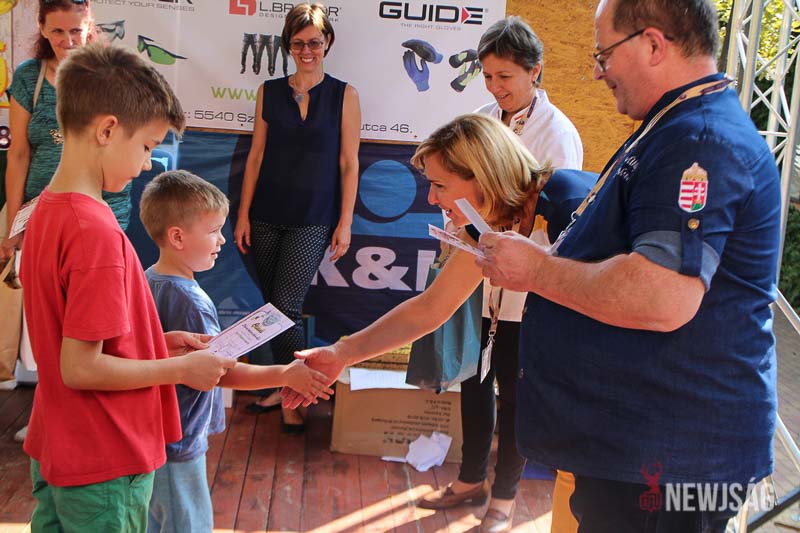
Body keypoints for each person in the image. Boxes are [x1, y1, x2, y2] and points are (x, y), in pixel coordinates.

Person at [475, 0, 781, 531]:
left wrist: (536, 271)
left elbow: (659, 297)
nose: (598, 72)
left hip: (669, 461)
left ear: (654, 44)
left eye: (604, 55)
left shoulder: (697, 140)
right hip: (646, 449)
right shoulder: (675, 126)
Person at [283, 113, 594, 532]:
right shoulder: (487, 221)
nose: (431, 199)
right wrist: (342, 352)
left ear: (483, 175)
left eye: (440, 185)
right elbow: (430, 308)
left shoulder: (571, 204)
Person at [18, 42, 238, 532]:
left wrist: (156, 344)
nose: (145, 165)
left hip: (60, 442)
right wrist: (181, 367)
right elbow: (81, 366)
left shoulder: (47, 209)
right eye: (145, 146)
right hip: (104, 458)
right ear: (107, 129)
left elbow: (73, 339)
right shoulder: (94, 231)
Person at [419, 16, 586, 530]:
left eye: (505, 76)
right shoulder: (481, 119)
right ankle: (471, 478)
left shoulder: (557, 133)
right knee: (474, 380)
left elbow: (559, 226)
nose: (495, 87)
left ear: (535, 71)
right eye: (488, 76)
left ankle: (506, 499)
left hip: (525, 288)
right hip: (478, 275)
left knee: (514, 393)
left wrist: (508, 240)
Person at [139, 170, 333, 533]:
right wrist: (284, 374)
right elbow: (221, 373)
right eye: (213, 230)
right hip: (178, 440)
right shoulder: (191, 302)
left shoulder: (148, 280)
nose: (222, 239)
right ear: (177, 237)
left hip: (153, 434)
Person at [233, 2, 361, 432]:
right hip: (265, 214)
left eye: (315, 42)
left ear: (328, 43)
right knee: (274, 307)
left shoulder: (344, 95)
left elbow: (349, 163)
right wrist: (243, 214)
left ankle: (295, 394)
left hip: (313, 218)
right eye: (299, 43)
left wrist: (345, 222)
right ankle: (281, 384)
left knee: (285, 305)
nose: (307, 50)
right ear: (288, 45)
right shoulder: (268, 92)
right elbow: (255, 157)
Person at [3, 0, 131, 260]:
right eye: (57, 32)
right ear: (42, 28)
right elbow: (18, 154)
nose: (68, 41)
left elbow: (125, 156)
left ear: (88, 25)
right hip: (39, 216)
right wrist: (14, 228)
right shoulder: (29, 77)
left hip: (100, 215)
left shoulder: (114, 78)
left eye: (75, 31)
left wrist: (101, 220)